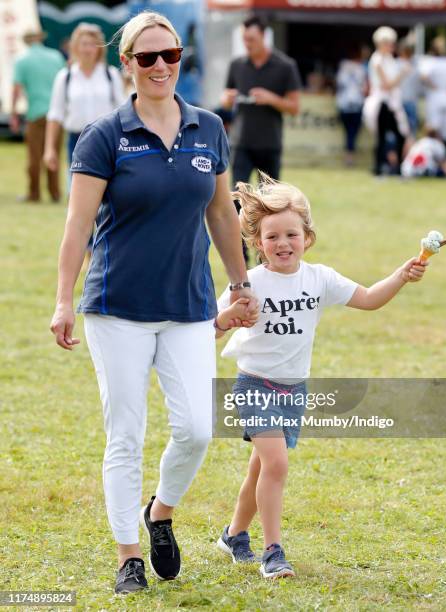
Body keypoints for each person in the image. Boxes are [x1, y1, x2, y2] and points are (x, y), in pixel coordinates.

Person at [49, 11, 256, 595]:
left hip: (189, 304)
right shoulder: (103, 135)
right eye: (148, 58)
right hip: (116, 306)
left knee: (196, 427)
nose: (161, 66)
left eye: (171, 55)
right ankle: (128, 557)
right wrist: (63, 301)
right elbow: (77, 225)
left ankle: (159, 511)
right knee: (126, 433)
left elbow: (221, 213)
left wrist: (240, 283)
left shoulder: (209, 127)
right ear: (128, 65)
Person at [214, 173, 428, 579]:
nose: (282, 244)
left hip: (294, 388)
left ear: (306, 238)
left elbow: (367, 299)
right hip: (254, 385)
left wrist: (401, 276)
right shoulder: (249, 283)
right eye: (272, 236)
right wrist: (228, 317)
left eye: (291, 235)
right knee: (275, 464)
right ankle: (273, 551)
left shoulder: (319, 278)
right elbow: (213, 325)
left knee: (261, 467)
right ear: (258, 243)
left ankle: (234, 534)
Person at [220, 14, 301, 260]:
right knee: (238, 200)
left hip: (269, 143)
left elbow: (294, 107)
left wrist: (271, 98)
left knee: (272, 205)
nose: (248, 44)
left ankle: (266, 254)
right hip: (241, 142)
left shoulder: (285, 66)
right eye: (244, 39)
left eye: (251, 39)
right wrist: (227, 99)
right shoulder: (237, 65)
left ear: (263, 36)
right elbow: (225, 99)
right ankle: (240, 253)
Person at [44, 22, 125, 177]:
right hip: (76, 141)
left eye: (93, 44)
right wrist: (50, 149)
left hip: (106, 140)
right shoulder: (65, 76)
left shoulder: (111, 75)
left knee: (106, 188)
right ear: (75, 47)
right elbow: (55, 114)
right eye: (84, 44)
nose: (88, 49)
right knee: (76, 190)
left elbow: (121, 111)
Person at [10, 29, 65, 202]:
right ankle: (55, 193)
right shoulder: (56, 56)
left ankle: (34, 193)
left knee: (34, 156)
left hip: (35, 112)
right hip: (57, 113)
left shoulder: (22, 60)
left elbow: (16, 89)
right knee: (54, 153)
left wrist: (13, 114)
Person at [363, 26, 410, 175]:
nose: (391, 46)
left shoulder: (389, 59)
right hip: (381, 103)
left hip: (392, 103)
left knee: (400, 135)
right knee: (383, 137)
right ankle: (380, 168)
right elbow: (386, 85)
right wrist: (402, 74)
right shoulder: (377, 60)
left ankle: (397, 167)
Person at [419, 36, 446, 151]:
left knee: (436, 126)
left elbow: (423, 77)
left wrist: (435, 86)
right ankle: (441, 154)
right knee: (443, 127)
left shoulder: (430, 61)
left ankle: (438, 155)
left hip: (436, 96)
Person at [335, 49, 368, 166]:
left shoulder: (343, 67)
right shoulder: (361, 69)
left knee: (349, 133)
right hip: (356, 104)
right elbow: (364, 88)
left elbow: (338, 83)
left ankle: (348, 157)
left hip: (343, 104)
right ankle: (349, 157)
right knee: (352, 133)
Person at [397, 39, 421, 137]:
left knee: (408, 130)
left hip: (406, 101)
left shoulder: (414, 64)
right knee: (409, 130)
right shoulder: (415, 64)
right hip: (403, 101)